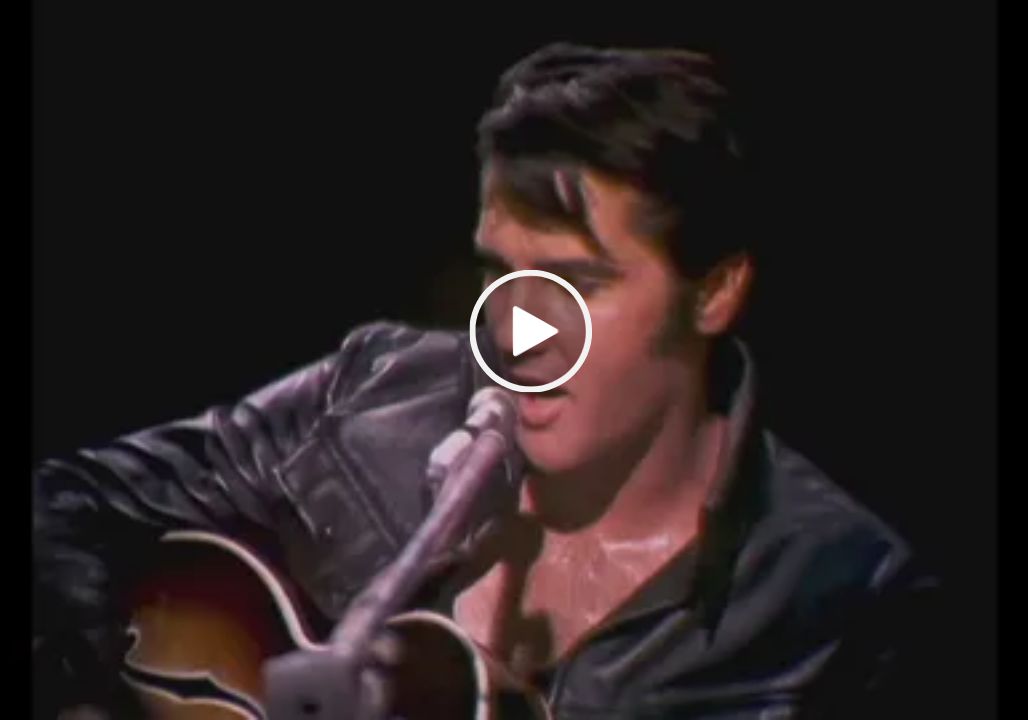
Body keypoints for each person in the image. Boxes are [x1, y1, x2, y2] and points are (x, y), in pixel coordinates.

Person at [33, 42, 939, 719]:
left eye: (579, 283)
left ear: (714, 292)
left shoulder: (848, 594)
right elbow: (60, 504)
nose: (518, 332)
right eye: (503, 274)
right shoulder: (375, 392)